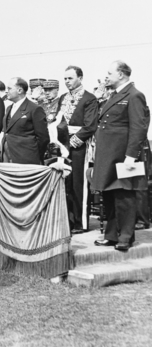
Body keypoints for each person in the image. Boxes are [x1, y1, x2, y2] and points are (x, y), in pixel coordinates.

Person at [92, 61, 150, 252]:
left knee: (124, 196)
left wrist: (131, 156)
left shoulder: (134, 95)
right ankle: (111, 235)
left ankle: (125, 237)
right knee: (109, 194)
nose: (106, 76)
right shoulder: (114, 96)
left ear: (122, 75)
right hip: (109, 155)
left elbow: (139, 127)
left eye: (110, 73)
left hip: (123, 156)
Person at [58, 66, 98, 233]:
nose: (67, 81)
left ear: (80, 78)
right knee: (66, 183)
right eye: (65, 78)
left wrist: (73, 142)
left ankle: (81, 223)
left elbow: (90, 126)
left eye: (70, 78)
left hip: (79, 145)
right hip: (62, 145)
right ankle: (68, 219)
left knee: (78, 184)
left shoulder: (89, 98)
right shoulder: (62, 97)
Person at [2, 77, 49, 165]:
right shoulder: (9, 108)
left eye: (9, 88)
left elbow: (43, 138)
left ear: (19, 90)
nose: (6, 91)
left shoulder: (34, 109)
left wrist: (33, 155)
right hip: (7, 157)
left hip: (26, 159)